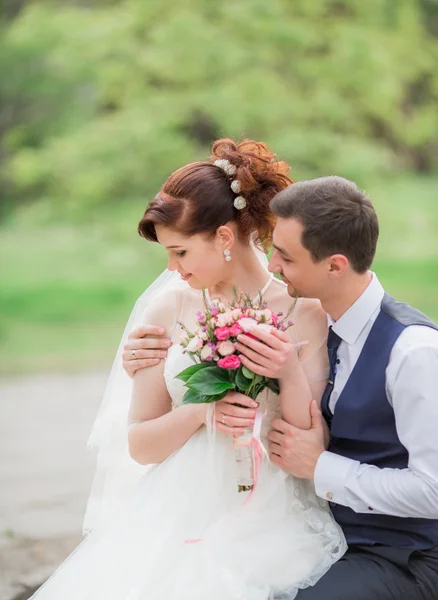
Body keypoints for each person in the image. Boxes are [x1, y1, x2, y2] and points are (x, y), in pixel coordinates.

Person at [30, 141, 346, 600]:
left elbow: (310, 433)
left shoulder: (305, 312)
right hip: (180, 503)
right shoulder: (168, 308)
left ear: (222, 238)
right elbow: (140, 445)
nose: (173, 268)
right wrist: (202, 413)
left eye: (180, 252)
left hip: (273, 503)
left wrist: (286, 368)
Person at [127, 175, 438, 600]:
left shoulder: (412, 351)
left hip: (402, 550)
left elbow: (434, 492)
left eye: (285, 257)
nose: (271, 264)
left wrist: (320, 466)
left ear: (334, 266)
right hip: (293, 520)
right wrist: (150, 365)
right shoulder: (332, 320)